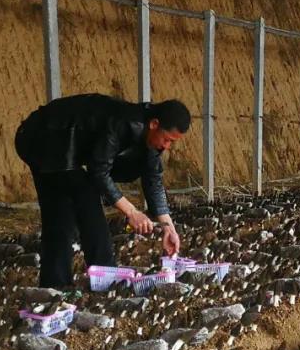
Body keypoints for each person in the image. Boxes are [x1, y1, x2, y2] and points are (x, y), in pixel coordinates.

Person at [14, 93, 190, 288]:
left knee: (60, 214)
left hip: (61, 148)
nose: (167, 146)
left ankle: (54, 286)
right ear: (154, 124)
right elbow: (98, 172)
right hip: (43, 136)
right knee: (85, 197)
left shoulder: (149, 138)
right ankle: (106, 277)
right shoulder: (123, 123)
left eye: (171, 142)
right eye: (167, 140)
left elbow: (153, 179)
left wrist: (168, 228)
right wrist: (132, 212)